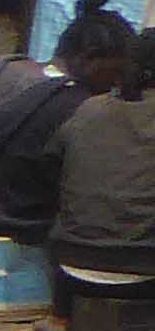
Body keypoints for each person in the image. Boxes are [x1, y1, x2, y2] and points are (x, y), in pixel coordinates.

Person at [0, 0, 134, 239]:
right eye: (116, 72)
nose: (117, 83)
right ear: (91, 59)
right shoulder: (77, 105)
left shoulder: (6, 67)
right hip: (12, 227)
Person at [54, 30, 155, 284]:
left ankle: (59, 317)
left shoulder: (90, 108)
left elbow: (49, 167)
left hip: (71, 265)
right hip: (143, 269)